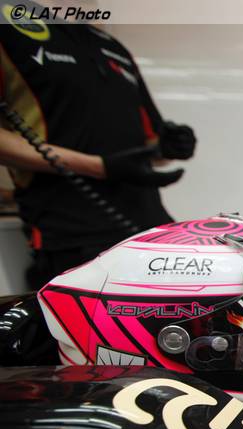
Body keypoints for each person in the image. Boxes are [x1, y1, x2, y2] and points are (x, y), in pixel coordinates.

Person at [0, 9, 196, 289]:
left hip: (151, 228)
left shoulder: (112, 46)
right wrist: (98, 167)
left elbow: (148, 144)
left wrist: (167, 147)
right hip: (72, 236)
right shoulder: (10, 28)